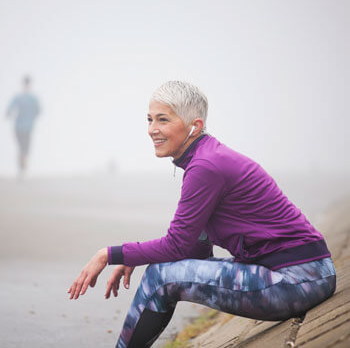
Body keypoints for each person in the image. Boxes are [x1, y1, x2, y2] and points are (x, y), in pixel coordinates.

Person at [68, 81, 336, 348]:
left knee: (160, 277)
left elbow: (177, 245)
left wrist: (110, 254)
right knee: (163, 271)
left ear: (194, 126)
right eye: (149, 119)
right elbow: (195, 249)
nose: (152, 130)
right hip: (304, 273)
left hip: (298, 280)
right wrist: (136, 255)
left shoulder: (205, 166)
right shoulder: (207, 158)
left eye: (163, 120)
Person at [6, 76, 41, 177]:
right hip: (19, 127)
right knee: (22, 148)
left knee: (24, 148)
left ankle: (22, 169)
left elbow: (39, 111)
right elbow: (10, 109)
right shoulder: (19, 97)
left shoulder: (33, 98)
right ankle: (22, 169)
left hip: (28, 127)